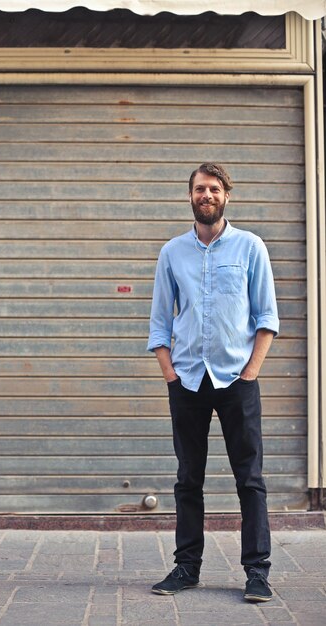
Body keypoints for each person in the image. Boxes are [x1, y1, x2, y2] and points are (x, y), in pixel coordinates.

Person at [147, 163, 279, 602]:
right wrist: (170, 374)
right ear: (190, 196)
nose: (207, 195)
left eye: (215, 188)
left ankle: (257, 573)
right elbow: (159, 321)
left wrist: (252, 372)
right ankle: (186, 568)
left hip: (238, 379)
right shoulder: (172, 253)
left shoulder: (250, 247)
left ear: (226, 196)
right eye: (200, 189)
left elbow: (266, 318)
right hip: (187, 380)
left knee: (250, 479)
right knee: (188, 478)